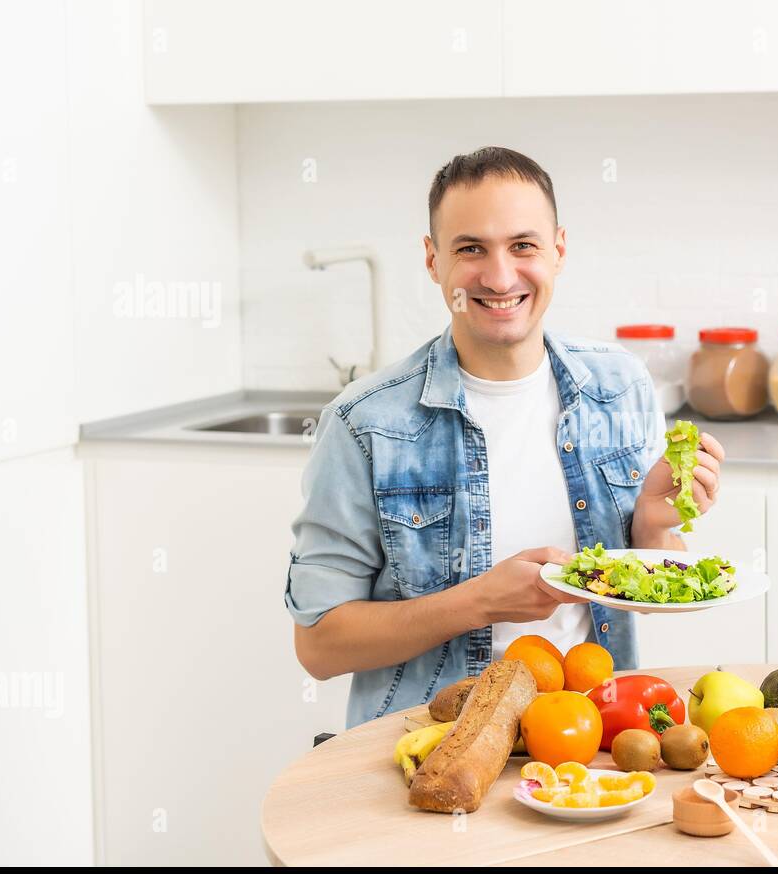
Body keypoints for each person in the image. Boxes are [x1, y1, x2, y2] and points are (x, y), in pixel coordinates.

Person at [285, 146, 725, 728]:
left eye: (523, 245)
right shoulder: (364, 423)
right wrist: (479, 603)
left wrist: (654, 522)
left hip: (593, 738)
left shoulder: (620, 386)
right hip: (431, 747)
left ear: (558, 250)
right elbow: (319, 646)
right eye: (471, 249)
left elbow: (647, 579)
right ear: (432, 259)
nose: (498, 277)